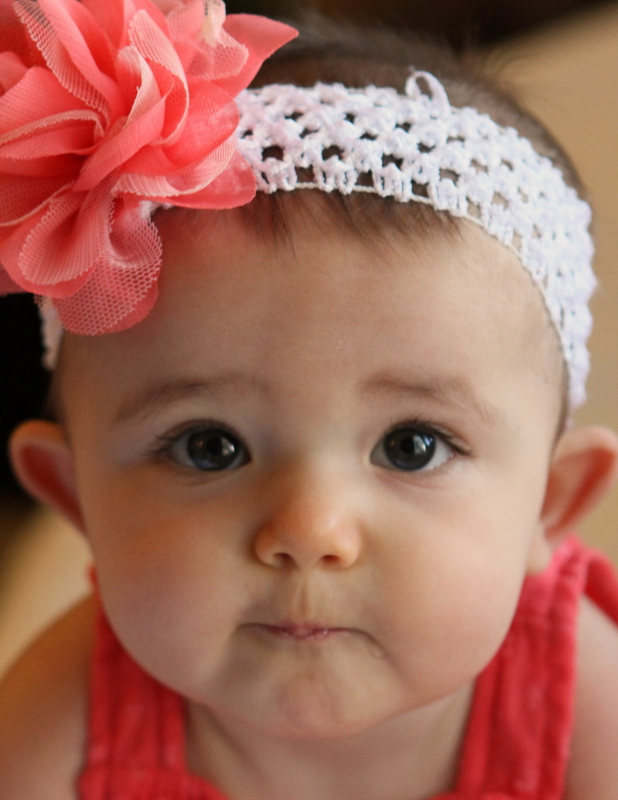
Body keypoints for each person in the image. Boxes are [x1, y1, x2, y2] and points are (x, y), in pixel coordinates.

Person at [1, 0, 618, 797]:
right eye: (210, 447)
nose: (308, 529)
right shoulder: (59, 723)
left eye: (412, 446)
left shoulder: (583, 703)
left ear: (551, 502)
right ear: (74, 494)